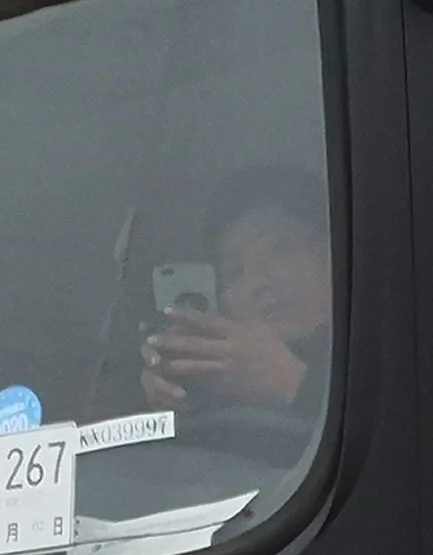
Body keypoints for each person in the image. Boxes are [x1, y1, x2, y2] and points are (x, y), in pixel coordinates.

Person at [141, 167, 332, 420]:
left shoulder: (392, 352)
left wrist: (293, 383)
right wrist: (176, 401)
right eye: (235, 271)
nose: (256, 283)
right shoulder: (218, 401)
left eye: (279, 248)